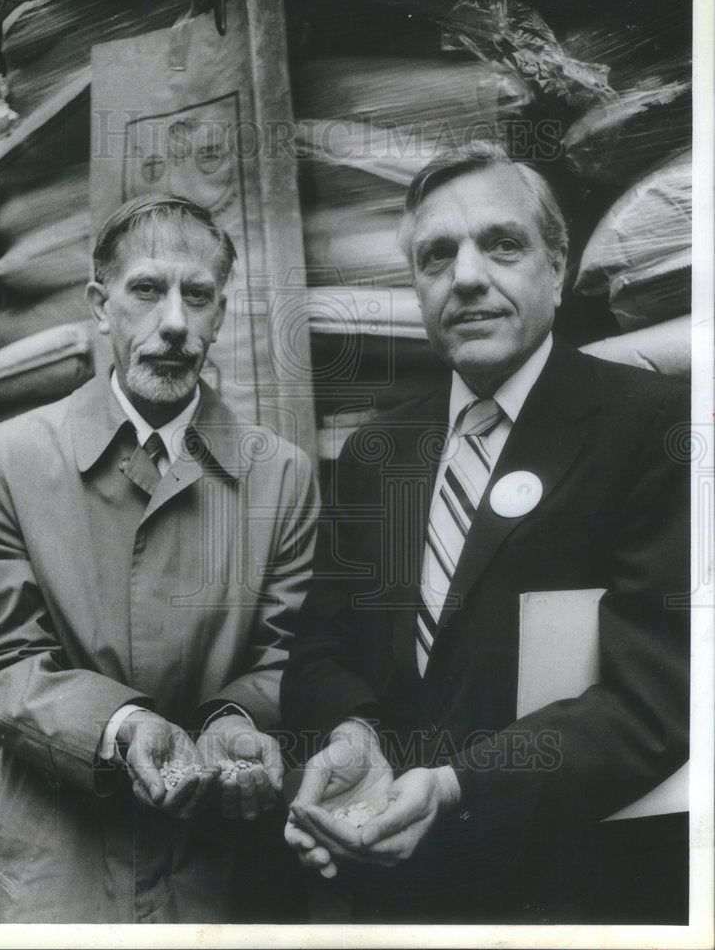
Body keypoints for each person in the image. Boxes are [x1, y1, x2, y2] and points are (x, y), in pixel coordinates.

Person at [281, 142, 690, 923]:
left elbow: (656, 700)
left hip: (569, 898)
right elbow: (319, 653)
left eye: (501, 244)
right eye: (436, 255)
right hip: (392, 896)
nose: (466, 275)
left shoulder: (650, 428)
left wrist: (459, 787)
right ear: (416, 283)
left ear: (557, 267)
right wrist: (352, 735)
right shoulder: (376, 455)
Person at [0, 194, 318, 923]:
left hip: (216, 879)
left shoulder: (281, 476)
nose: (173, 322)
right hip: (55, 878)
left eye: (197, 295)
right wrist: (123, 729)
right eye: (147, 289)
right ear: (100, 304)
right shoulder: (10, 460)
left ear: (219, 316)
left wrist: (234, 723)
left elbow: (288, 655)